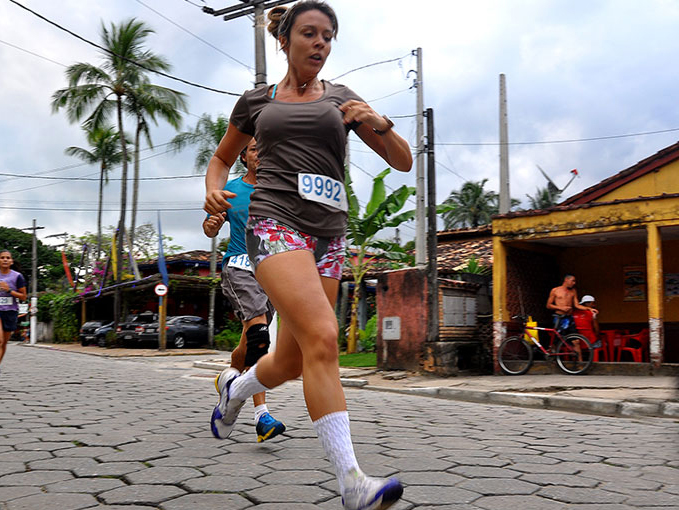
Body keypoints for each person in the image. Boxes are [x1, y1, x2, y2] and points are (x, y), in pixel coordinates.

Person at [203, 2, 412, 509]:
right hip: (274, 224)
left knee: (295, 360)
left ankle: (234, 394)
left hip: (329, 235)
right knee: (323, 338)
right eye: (310, 34)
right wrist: (214, 191)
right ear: (287, 40)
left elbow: (403, 162)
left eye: (328, 37)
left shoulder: (343, 99)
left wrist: (377, 121)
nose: (320, 43)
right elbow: (221, 158)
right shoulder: (257, 102)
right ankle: (352, 483)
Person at [203, 139, 286, 443]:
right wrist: (211, 225)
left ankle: (229, 391)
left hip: (270, 272)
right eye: (253, 149)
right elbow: (210, 226)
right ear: (243, 156)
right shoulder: (232, 190)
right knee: (259, 338)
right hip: (239, 267)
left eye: (264, 148)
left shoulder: (279, 191)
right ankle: (261, 416)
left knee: (248, 347)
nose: (259, 153)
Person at [0, 250, 27, 368]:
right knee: (0, 341)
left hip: (10, 311)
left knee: (4, 343)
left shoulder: (17, 276)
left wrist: (9, 290)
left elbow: (24, 297)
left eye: (7, 258)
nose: (5, 259)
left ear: (11, 261)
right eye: (2, 258)